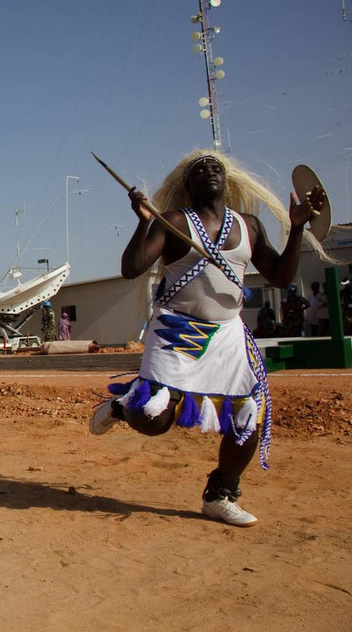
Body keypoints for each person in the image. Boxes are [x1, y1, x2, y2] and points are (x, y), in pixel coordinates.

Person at [90, 149, 329, 527]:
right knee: (153, 419)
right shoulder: (173, 223)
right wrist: (145, 223)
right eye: (197, 170)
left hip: (227, 336)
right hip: (177, 331)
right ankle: (125, 405)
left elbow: (281, 277)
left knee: (248, 417)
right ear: (188, 186)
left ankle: (220, 494)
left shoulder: (248, 226)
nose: (207, 172)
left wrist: (297, 228)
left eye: (214, 167)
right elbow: (130, 268)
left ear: (225, 180)